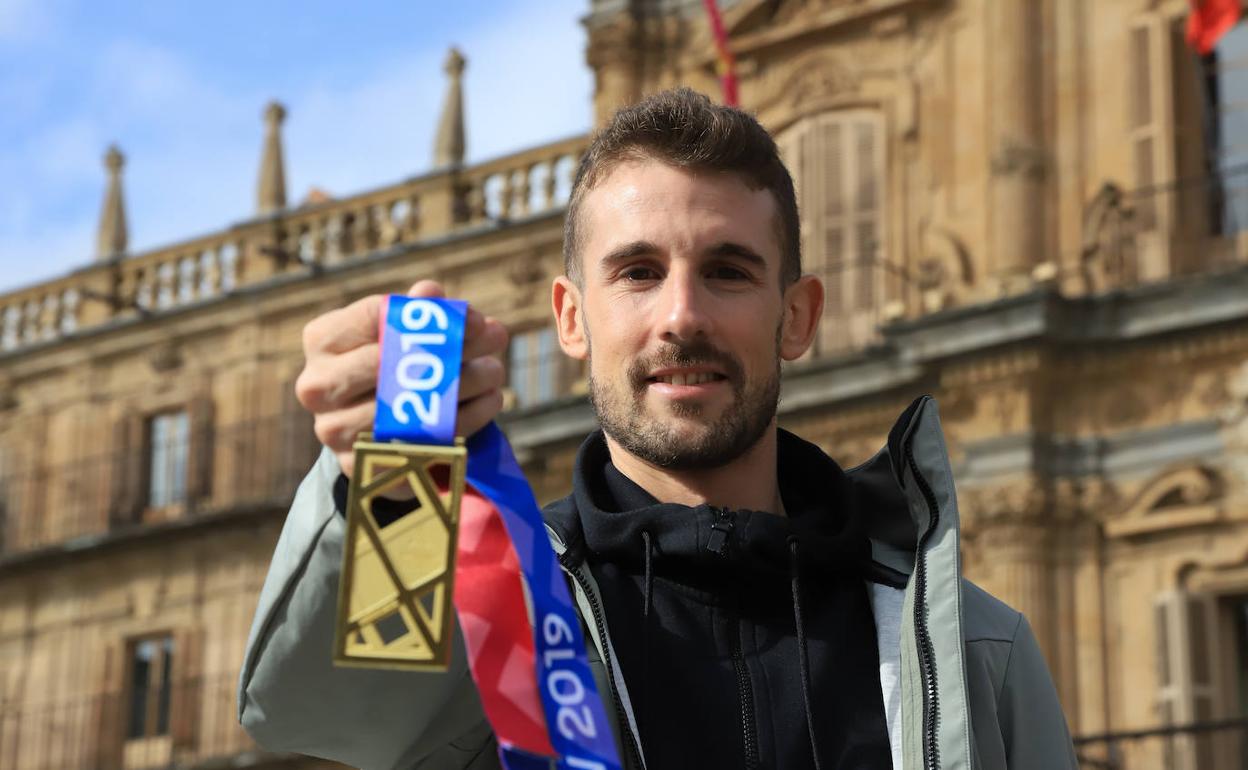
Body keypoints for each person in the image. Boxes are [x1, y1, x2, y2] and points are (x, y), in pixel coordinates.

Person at [238, 88, 1078, 770]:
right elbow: (324, 712)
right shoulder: (494, 618)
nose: (681, 315)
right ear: (571, 319)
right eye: (638, 272)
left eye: (727, 271)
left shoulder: (978, 649)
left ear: (797, 316)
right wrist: (382, 478)